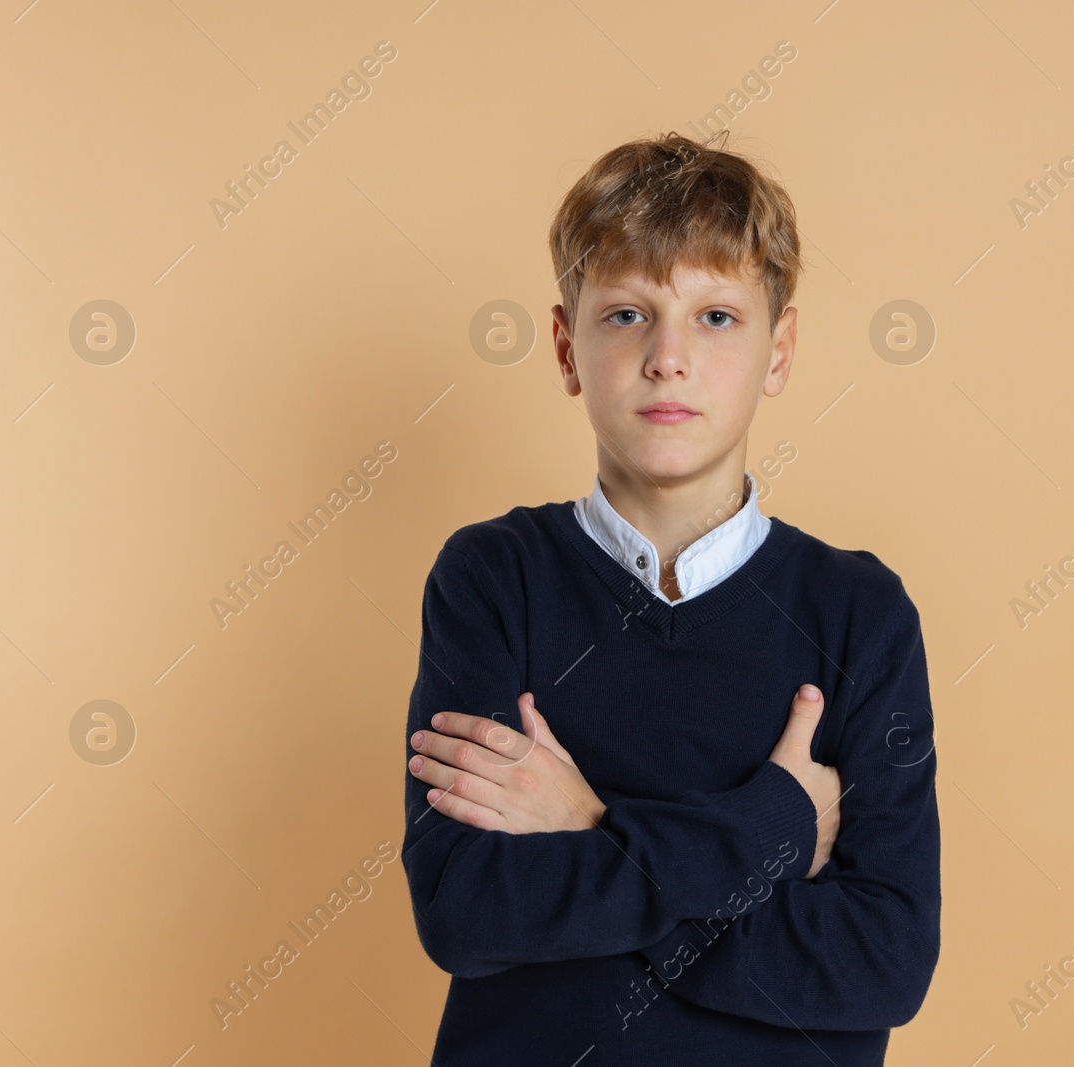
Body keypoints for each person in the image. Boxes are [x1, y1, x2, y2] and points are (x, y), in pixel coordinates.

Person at [399, 129, 940, 1065]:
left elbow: (880, 965)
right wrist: (770, 823)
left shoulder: (860, 612)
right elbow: (467, 910)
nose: (668, 357)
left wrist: (586, 827)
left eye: (717, 317)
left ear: (781, 350)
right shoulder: (493, 578)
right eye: (626, 316)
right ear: (567, 348)